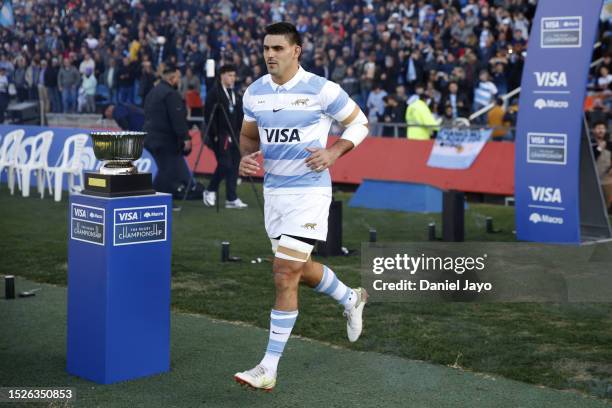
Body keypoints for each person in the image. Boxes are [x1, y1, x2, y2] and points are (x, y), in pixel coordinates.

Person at [234, 22, 369, 391]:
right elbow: (248, 137)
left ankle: (268, 367)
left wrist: (333, 151)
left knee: (283, 270)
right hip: (274, 194)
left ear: (296, 51)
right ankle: (350, 297)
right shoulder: (255, 93)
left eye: (278, 48)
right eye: (266, 48)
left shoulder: (322, 89)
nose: (270, 55)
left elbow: (359, 123)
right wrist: (246, 159)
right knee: (300, 270)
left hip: (310, 193)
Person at [143, 64, 192, 206]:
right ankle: (158, 201)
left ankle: (158, 198)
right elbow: (177, 119)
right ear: (172, 78)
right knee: (167, 171)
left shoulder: (153, 92)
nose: (180, 80)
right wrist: (185, 137)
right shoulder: (171, 94)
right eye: (178, 77)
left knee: (165, 170)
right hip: (165, 140)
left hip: (150, 137)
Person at [202, 64, 248, 209]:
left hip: (235, 136)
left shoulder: (235, 94)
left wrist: (243, 134)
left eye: (234, 75)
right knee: (225, 164)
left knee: (234, 166)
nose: (232, 78)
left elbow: (240, 116)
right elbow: (208, 115)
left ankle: (231, 198)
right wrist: (214, 135)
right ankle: (210, 190)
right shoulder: (214, 92)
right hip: (220, 136)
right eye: (229, 75)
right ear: (222, 75)